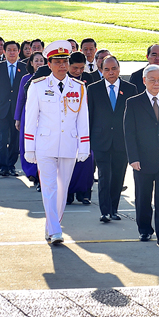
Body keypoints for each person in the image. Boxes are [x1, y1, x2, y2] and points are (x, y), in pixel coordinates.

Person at [23, 41, 90, 245]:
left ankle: (51, 226)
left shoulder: (78, 87)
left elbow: (82, 118)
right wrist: (29, 147)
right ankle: (55, 230)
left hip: (69, 144)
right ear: (49, 64)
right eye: (58, 62)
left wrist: (84, 146)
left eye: (65, 62)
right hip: (45, 144)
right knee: (49, 187)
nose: (62, 66)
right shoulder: (38, 86)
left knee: (62, 189)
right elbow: (31, 118)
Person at [123, 64, 159, 244]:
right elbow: (129, 133)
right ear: (144, 81)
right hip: (143, 160)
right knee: (143, 197)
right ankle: (145, 229)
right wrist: (133, 158)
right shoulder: (133, 102)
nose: (156, 83)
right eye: (152, 80)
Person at [88, 55, 137, 223]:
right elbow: (90, 116)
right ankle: (104, 211)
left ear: (119, 69)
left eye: (113, 68)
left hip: (122, 141)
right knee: (104, 176)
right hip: (100, 140)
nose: (110, 72)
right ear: (101, 71)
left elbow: (134, 118)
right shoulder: (93, 89)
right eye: (106, 69)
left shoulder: (130, 89)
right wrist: (87, 142)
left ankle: (114, 209)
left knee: (117, 176)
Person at [0, 41, 27, 177]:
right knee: (2, 138)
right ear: (4, 52)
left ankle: (11, 166)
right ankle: (1, 166)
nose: (11, 52)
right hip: (1, 109)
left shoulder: (24, 67)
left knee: (15, 140)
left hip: (17, 110)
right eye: (9, 50)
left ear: (18, 52)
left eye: (14, 50)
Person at [65, 51, 95, 205]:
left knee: (86, 161)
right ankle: (68, 193)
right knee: (69, 161)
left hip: (85, 124)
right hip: (67, 125)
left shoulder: (88, 79)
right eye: (75, 68)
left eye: (82, 68)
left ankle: (84, 193)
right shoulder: (62, 79)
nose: (78, 72)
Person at [15, 51, 47, 190]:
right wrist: (17, 118)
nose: (39, 63)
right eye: (36, 60)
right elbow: (20, 99)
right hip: (27, 115)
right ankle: (31, 172)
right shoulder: (25, 79)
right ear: (31, 63)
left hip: (45, 117)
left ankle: (42, 177)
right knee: (27, 144)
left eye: (41, 60)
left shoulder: (50, 79)